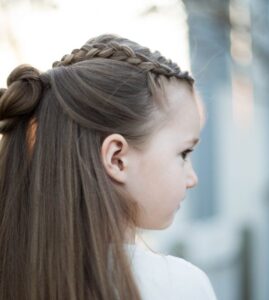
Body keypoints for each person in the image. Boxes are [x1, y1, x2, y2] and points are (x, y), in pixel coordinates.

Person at [0, 34, 217, 300]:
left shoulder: (13, 273)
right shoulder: (179, 286)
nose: (192, 178)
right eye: (184, 153)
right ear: (117, 158)